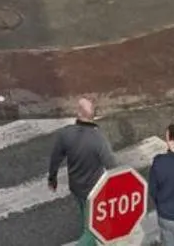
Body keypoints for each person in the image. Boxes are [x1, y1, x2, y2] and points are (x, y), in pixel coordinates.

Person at [48, 96, 118, 240]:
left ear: (79, 113)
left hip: (76, 187)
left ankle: (86, 230)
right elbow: (112, 166)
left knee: (84, 214)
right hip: (95, 190)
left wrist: (52, 178)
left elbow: (55, 158)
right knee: (93, 228)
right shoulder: (98, 139)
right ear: (94, 115)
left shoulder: (65, 134)